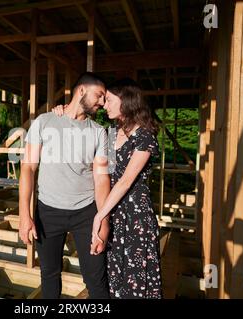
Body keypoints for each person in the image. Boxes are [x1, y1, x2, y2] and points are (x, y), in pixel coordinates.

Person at [52, 78, 162, 299]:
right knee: (110, 276)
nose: (104, 104)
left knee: (134, 279)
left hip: (134, 217)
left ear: (126, 101)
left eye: (109, 99)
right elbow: (104, 173)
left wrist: (99, 215)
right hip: (112, 211)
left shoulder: (145, 137)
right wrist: (63, 111)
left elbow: (125, 181)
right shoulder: (111, 132)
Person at [19, 72, 111, 299]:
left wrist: (104, 220)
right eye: (99, 95)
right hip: (48, 211)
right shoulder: (44, 122)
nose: (103, 102)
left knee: (96, 279)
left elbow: (101, 179)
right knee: (49, 275)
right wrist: (24, 214)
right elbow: (28, 169)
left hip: (86, 213)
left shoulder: (99, 132)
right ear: (81, 90)